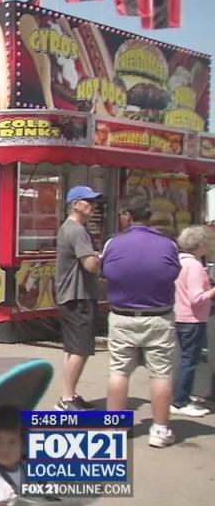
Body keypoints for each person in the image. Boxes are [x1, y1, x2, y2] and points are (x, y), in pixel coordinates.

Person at [101, 194, 182, 448]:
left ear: (127, 216)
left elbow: (106, 272)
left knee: (119, 371)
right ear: (149, 216)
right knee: (160, 373)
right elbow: (173, 273)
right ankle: (159, 430)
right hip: (159, 317)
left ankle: (115, 428)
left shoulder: (113, 243)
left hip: (122, 316)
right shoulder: (168, 244)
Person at [55, 186, 104, 411]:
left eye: (94, 202)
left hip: (73, 296)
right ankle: (67, 399)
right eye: (88, 201)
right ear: (75, 204)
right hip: (78, 296)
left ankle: (70, 394)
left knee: (72, 349)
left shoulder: (74, 228)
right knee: (80, 350)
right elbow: (90, 265)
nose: (93, 206)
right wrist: (101, 256)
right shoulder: (76, 230)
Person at [172, 225, 214, 417]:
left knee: (183, 358)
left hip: (179, 315)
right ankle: (181, 400)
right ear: (200, 244)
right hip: (193, 318)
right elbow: (197, 298)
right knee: (190, 359)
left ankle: (181, 396)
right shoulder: (195, 266)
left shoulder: (178, 262)